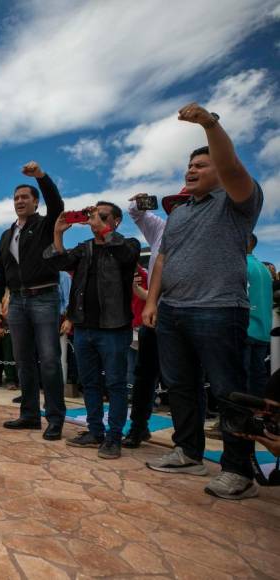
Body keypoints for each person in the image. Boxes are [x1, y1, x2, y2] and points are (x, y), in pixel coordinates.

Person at [142, 103, 264, 500]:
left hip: (218, 308)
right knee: (179, 385)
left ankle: (237, 470)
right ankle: (188, 452)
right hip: (174, 310)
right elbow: (163, 258)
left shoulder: (237, 201)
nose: (191, 170)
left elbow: (232, 168)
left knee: (229, 391)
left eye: (201, 165)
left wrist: (210, 125)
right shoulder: (180, 213)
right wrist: (151, 302)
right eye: (189, 166)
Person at [45, 202, 141, 459]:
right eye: (93, 214)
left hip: (114, 328)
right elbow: (59, 262)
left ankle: (114, 437)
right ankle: (95, 430)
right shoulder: (84, 248)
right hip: (85, 327)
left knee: (116, 384)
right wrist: (57, 234)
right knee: (90, 383)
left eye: (103, 215)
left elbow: (126, 256)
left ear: (116, 221)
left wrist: (104, 231)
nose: (95, 219)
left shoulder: (128, 244)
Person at [0, 161, 66, 440]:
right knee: (23, 361)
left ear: (36, 202)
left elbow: (57, 204)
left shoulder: (46, 224)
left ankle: (55, 419)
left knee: (48, 359)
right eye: (16, 198)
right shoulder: (6, 235)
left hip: (45, 297)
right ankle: (30, 415)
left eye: (25, 197)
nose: (20, 201)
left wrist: (41, 176)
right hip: (18, 302)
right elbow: (1, 270)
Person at [244, 234, 272, 398]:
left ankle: (244, 419)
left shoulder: (242, 265)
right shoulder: (265, 270)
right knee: (258, 376)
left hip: (246, 329)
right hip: (263, 330)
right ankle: (259, 416)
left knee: (242, 377)